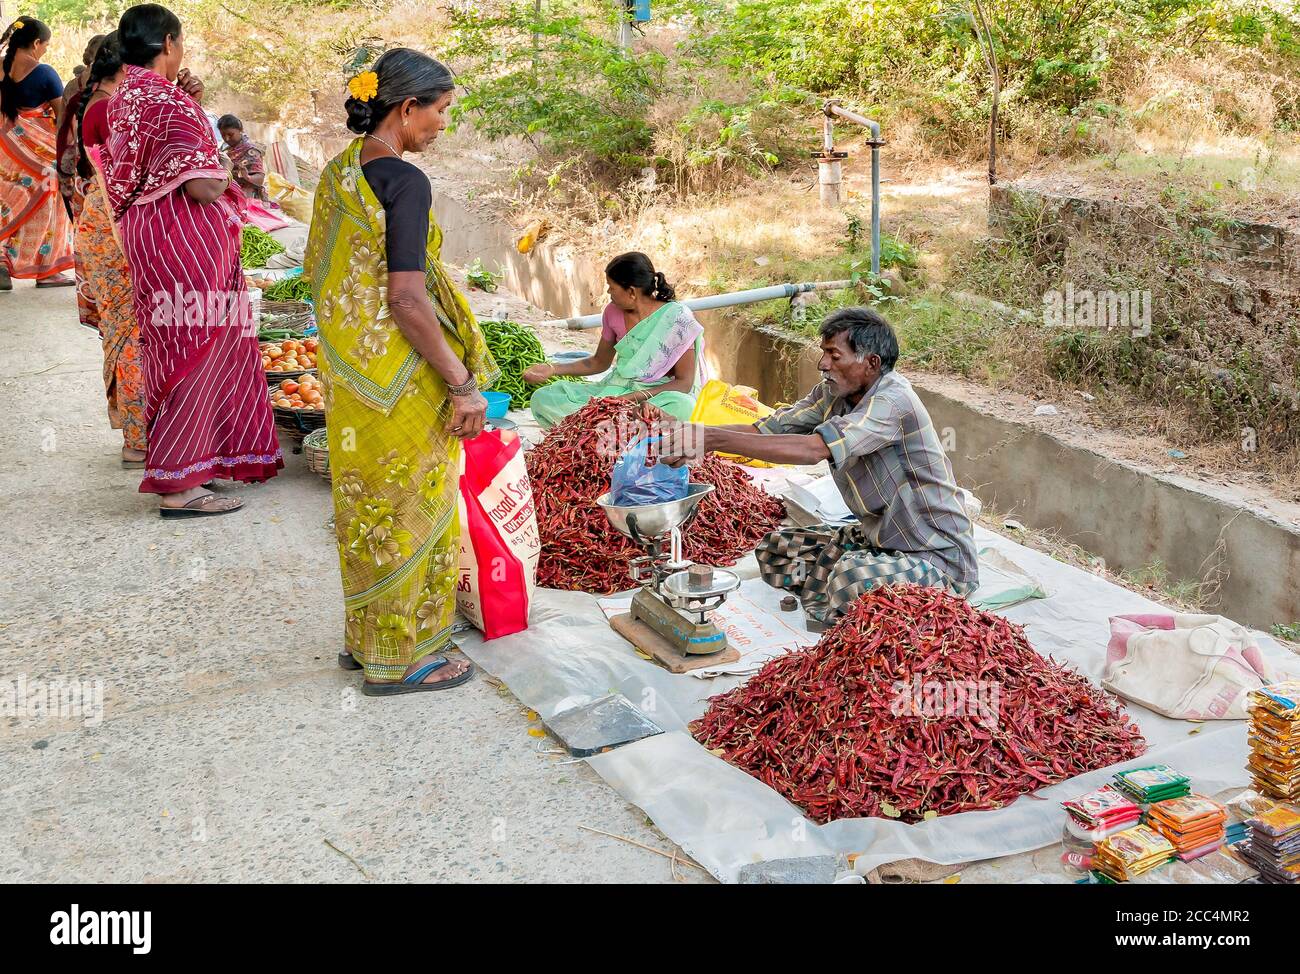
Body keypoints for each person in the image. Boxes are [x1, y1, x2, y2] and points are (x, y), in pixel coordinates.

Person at [305, 49, 498, 696]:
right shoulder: (406, 181)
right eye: (440, 110)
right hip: (404, 377)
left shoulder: (339, 172)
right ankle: (405, 658)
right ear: (406, 107)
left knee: (367, 512)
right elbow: (406, 298)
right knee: (422, 512)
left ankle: (367, 643)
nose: (443, 123)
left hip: (354, 379)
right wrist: (462, 383)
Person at [661, 307, 979, 628]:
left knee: (849, 579)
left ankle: (850, 597)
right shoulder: (834, 393)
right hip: (880, 540)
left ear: (871, 363)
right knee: (777, 551)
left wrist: (712, 439)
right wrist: (696, 435)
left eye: (834, 355)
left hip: (935, 556)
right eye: (824, 353)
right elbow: (768, 429)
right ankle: (840, 592)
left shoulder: (892, 402)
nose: (823, 364)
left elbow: (814, 450)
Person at [102, 4, 281, 515]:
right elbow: (203, 185)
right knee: (194, 347)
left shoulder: (127, 97)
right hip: (184, 243)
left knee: (174, 342)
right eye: (181, 43)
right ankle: (178, 485)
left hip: (153, 237)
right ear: (168, 42)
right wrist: (225, 166)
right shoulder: (167, 103)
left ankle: (196, 463)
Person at [73, 32, 147, 467]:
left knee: (124, 333)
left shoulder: (99, 102)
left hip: (102, 222)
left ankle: (134, 433)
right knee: (132, 334)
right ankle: (137, 440)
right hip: (112, 228)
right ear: (126, 66)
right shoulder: (107, 108)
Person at [523, 252, 703, 428]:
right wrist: (552, 369)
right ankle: (618, 429)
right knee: (544, 398)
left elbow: (684, 383)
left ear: (631, 291)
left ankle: (601, 427)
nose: (608, 292)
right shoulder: (612, 312)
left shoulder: (677, 319)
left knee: (684, 406)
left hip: (654, 397)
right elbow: (598, 362)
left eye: (611, 287)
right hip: (615, 389)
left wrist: (632, 398)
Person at [0, 17, 75, 289]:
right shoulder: (44, 73)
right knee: (52, 193)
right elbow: (64, 118)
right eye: (45, 44)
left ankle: (1, 263)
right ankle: (47, 270)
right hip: (40, 161)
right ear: (35, 43)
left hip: (6, 159)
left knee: (10, 203)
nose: (45, 50)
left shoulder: (0, 69)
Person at [55, 32, 104, 217]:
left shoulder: (72, 85)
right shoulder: (109, 87)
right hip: (97, 169)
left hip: (74, 166)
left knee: (80, 222)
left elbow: (61, 130)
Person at [216, 114, 266, 200]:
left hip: (246, 195)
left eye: (230, 134)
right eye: (223, 135)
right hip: (228, 189)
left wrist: (248, 177)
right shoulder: (226, 147)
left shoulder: (251, 151)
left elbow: (260, 179)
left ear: (240, 130)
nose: (227, 139)